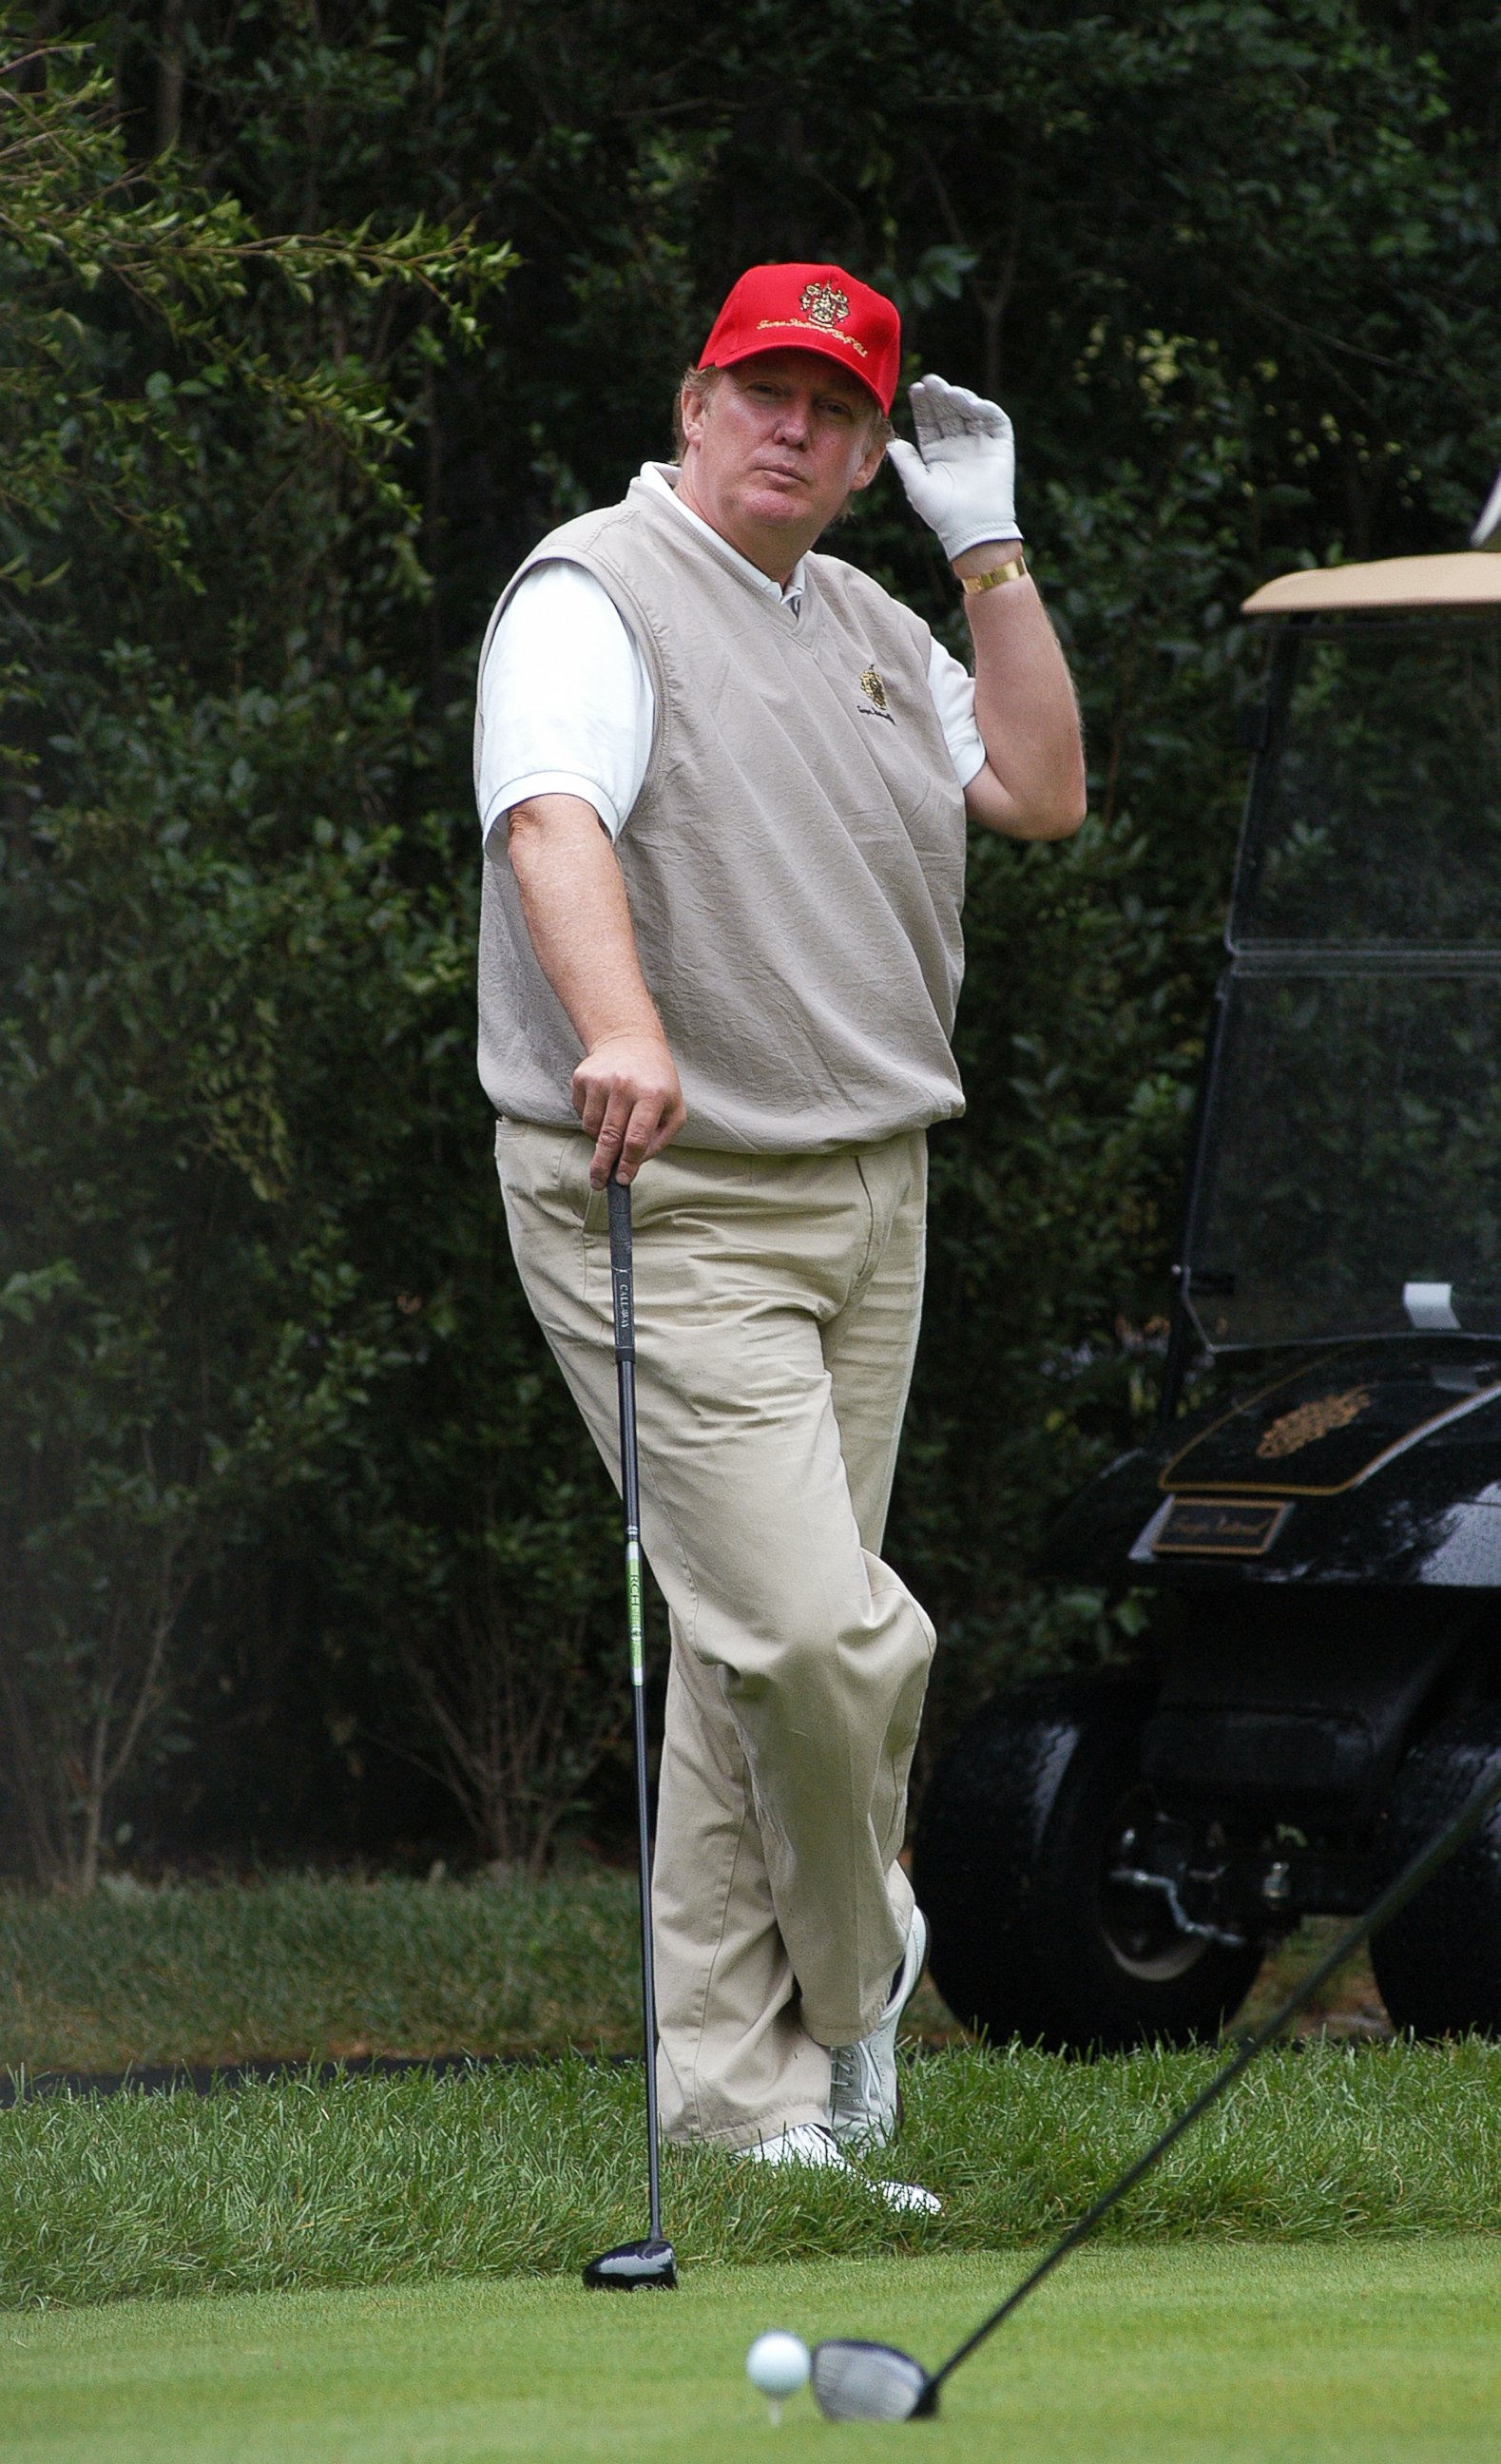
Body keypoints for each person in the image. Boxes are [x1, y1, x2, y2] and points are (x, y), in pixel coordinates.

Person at [473, 262, 1086, 2205]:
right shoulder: (593, 589)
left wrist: (987, 558)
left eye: (832, 407)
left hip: (871, 1189)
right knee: (820, 1631)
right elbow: (550, 816)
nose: (792, 428)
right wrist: (621, 1022)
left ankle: (740, 2120)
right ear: (692, 401)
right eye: (762, 390)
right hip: (667, 1189)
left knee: (756, 1652)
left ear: (859, 452)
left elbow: (1041, 791)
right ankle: (868, 1948)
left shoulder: (868, 621)